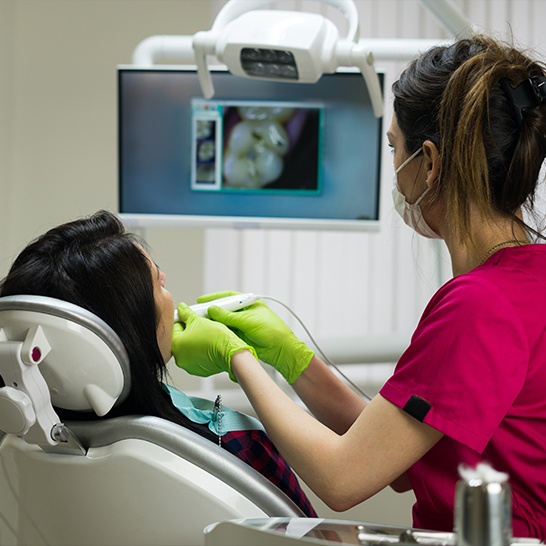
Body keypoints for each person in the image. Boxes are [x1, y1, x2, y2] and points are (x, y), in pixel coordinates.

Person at [171, 34, 546, 540]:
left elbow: (344, 477)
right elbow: (393, 454)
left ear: (429, 164)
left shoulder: (479, 305)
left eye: (394, 147)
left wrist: (238, 358)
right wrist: (292, 358)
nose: (393, 167)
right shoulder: (527, 282)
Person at [0, 210, 316, 517]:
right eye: (156, 283)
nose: (165, 279)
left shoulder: (21, 445)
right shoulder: (236, 444)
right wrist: (239, 355)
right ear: (133, 329)